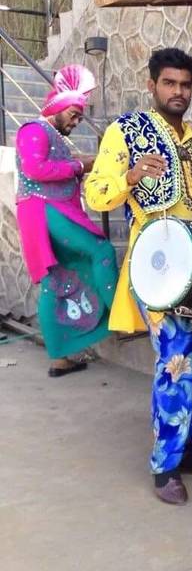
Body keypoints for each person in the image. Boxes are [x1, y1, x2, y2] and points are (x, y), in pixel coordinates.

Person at [84, 48, 192, 505]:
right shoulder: (126, 131)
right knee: (176, 364)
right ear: (152, 85)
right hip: (156, 272)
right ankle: (164, 466)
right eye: (170, 83)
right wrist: (129, 175)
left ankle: (191, 451)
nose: (179, 92)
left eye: (185, 85)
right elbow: (96, 194)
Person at [14, 64, 118, 377]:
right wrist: (78, 166)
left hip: (45, 212)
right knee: (101, 251)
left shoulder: (48, 133)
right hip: (44, 211)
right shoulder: (34, 130)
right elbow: (35, 170)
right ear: (58, 107)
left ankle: (60, 358)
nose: (75, 121)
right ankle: (121, 317)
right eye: (73, 114)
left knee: (54, 281)